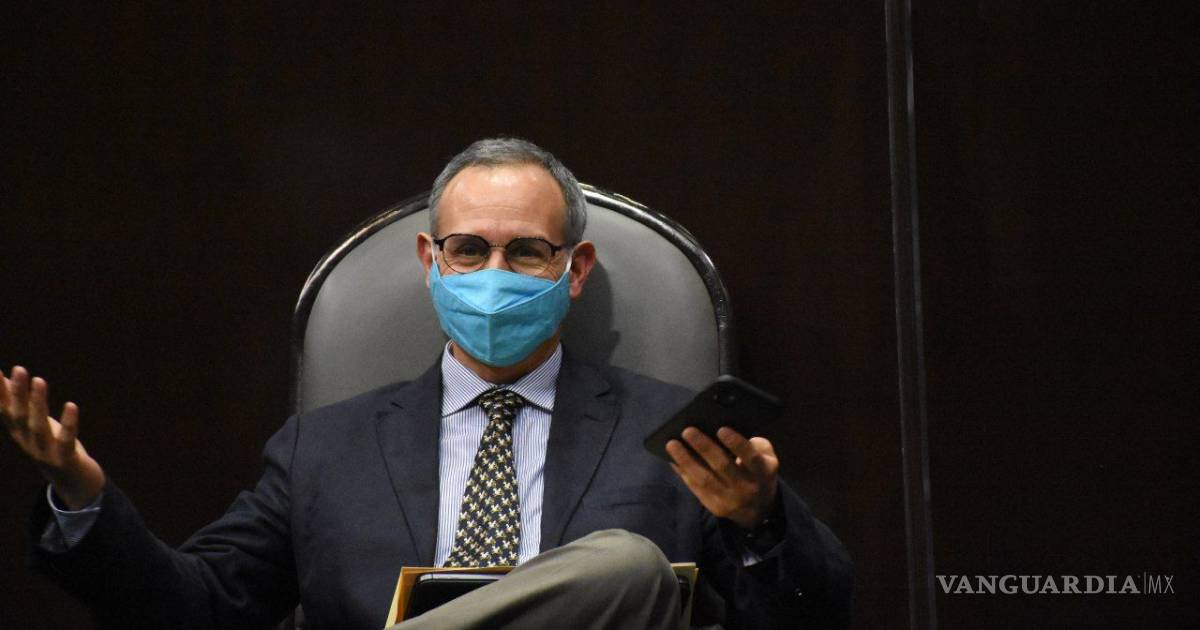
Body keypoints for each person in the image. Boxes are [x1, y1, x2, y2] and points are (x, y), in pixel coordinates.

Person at [2, 138, 853, 629]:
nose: (495, 272)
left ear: (576, 270)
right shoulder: (325, 449)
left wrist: (759, 523)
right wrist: (81, 499)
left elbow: (812, 616)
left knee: (625, 567)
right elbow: (196, 612)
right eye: (469, 250)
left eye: (526, 252)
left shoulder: (673, 434)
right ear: (430, 261)